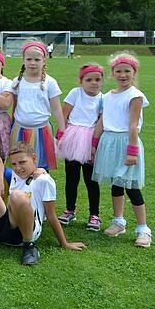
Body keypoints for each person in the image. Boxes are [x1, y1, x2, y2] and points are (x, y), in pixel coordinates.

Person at [0, 143, 86, 265]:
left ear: (34, 158)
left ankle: (29, 246)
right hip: (6, 226)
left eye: (22, 162)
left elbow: (51, 215)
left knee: (18, 195)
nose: (18, 168)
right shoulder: (14, 175)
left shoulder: (44, 180)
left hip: (25, 231)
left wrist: (64, 243)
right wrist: (0, 180)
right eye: (14, 164)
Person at [92, 52, 152, 247]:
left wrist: (132, 151)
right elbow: (102, 121)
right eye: (119, 71)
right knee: (116, 185)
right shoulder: (108, 96)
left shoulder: (135, 95)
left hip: (127, 143)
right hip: (109, 142)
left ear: (134, 73)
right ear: (112, 73)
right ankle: (119, 221)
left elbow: (133, 125)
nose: (123, 74)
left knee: (132, 187)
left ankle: (143, 229)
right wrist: (94, 144)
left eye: (127, 71)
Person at [57, 63, 104, 231]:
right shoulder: (75, 93)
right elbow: (64, 114)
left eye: (98, 79)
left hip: (91, 139)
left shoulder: (103, 99)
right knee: (71, 177)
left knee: (91, 180)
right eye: (89, 79)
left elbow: (101, 121)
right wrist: (61, 134)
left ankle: (94, 214)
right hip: (73, 137)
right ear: (81, 81)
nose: (94, 83)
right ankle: (70, 209)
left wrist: (95, 143)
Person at [5, 40, 65, 170]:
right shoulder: (17, 82)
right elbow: (14, 106)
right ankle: (18, 190)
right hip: (19, 130)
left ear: (44, 60)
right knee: (19, 166)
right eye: (29, 59)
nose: (32, 63)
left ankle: (41, 190)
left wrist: (62, 131)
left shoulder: (50, 82)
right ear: (23, 60)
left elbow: (57, 109)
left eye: (37, 59)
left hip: (42, 131)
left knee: (41, 168)